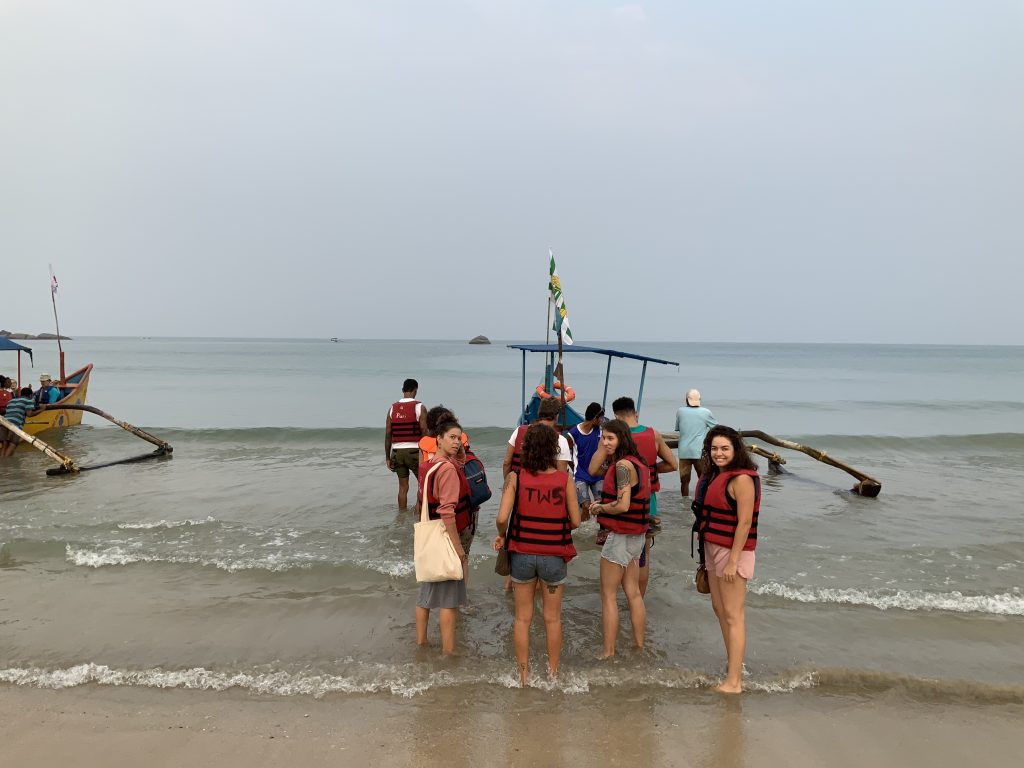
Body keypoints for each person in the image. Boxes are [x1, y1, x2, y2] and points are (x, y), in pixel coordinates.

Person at [494, 423, 581, 685]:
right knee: (552, 619)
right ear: (554, 450)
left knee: (522, 618)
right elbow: (576, 521)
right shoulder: (564, 479)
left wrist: (501, 534)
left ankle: (523, 676)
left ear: (526, 449)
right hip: (554, 555)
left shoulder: (516, 478)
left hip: (521, 553)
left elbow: (501, 517)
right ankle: (553, 674)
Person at [693, 425, 761, 694]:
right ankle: (734, 667)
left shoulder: (742, 479)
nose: (719, 453)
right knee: (720, 610)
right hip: (712, 547)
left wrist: (733, 561)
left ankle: (734, 683)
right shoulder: (713, 476)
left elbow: (744, 523)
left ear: (736, 450)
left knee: (734, 615)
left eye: (725, 448)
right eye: (714, 449)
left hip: (733, 551)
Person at [590, 396, 676, 596]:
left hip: (619, 507)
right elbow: (673, 464)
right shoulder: (653, 434)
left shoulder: (613, 435)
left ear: (616, 415)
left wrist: (612, 472)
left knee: (615, 556)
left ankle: (617, 599)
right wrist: (646, 473)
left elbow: (593, 469)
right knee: (642, 556)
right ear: (634, 412)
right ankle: (639, 600)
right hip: (648, 504)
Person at [588, 419, 651, 658]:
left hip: (621, 536)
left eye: (610, 438)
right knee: (633, 592)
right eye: (603, 438)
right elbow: (593, 469)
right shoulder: (640, 463)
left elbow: (623, 505)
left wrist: (600, 508)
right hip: (637, 536)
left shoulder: (623, 466)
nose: (605, 443)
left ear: (622, 439)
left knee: (608, 595)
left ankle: (608, 651)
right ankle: (639, 645)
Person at [415, 420, 472, 653]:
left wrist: (457, 453)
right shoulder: (447, 470)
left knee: (426, 593)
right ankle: (449, 654)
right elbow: (447, 511)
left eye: (459, 438)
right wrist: (458, 549)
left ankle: (422, 642)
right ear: (438, 438)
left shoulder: (429, 464)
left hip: (429, 534)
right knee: (449, 601)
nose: (457, 442)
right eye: (451, 437)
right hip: (445, 536)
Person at [501, 397, 572, 478]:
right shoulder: (561, 440)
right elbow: (561, 475)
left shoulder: (518, 430)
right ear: (556, 416)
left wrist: (508, 485)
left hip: (518, 485)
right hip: (545, 488)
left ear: (539, 413)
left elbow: (506, 462)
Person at [385, 378, 428, 509]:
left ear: (403, 390)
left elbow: (388, 435)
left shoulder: (392, 408)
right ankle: (418, 514)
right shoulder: (419, 407)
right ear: (415, 390)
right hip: (414, 452)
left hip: (397, 452)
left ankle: (401, 516)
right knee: (423, 485)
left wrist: (388, 457)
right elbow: (424, 431)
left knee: (403, 488)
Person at [675, 388, 716, 497]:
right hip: (699, 451)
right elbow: (716, 428)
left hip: (684, 452)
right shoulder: (706, 412)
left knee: (684, 481)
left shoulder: (680, 411)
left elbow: (678, 428)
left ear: (686, 400)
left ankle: (684, 502)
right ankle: (702, 501)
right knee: (703, 479)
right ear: (699, 400)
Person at [566, 402, 605, 512]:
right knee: (586, 506)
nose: (602, 420)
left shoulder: (600, 431)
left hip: (598, 475)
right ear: (594, 419)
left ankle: (601, 528)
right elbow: (565, 452)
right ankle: (584, 528)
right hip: (581, 475)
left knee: (600, 506)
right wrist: (573, 467)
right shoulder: (573, 434)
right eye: (600, 418)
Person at [1, 387, 35, 457]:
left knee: (5, 445)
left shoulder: (11, 401)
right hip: (15, 425)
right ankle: (5, 465)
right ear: (30, 395)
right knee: (12, 444)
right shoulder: (28, 400)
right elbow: (29, 414)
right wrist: (42, 409)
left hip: (4, 423)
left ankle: (1, 462)